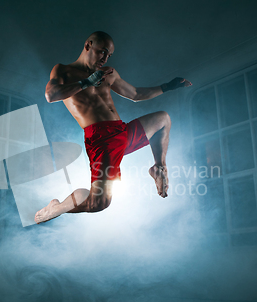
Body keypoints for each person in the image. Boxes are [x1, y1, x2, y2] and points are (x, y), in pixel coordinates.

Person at [35, 31, 191, 223]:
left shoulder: (109, 73)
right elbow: (51, 96)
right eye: (102, 52)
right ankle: (56, 208)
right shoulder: (64, 71)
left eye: (109, 55)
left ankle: (158, 167)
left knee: (163, 119)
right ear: (88, 45)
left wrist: (168, 86)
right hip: (101, 141)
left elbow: (135, 94)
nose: (105, 58)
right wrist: (86, 83)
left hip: (122, 133)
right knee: (98, 203)